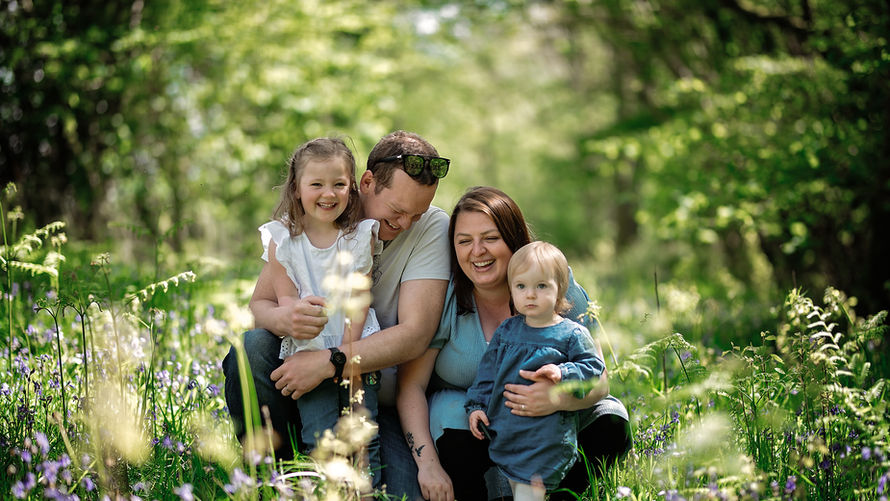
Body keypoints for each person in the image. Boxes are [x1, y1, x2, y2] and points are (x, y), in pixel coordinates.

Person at [222, 130, 452, 497]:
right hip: (302, 377)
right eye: (396, 211)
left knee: (396, 493)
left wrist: (331, 361)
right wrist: (286, 319)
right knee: (250, 348)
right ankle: (274, 471)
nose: (406, 224)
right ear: (366, 183)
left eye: (417, 214)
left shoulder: (430, 227)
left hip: (377, 395)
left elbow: (416, 334)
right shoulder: (311, 224)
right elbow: (258, 308)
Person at [397, 186, 631, 501]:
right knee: (449, 409)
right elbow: (410, 387)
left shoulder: (552, 282)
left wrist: (556, 399)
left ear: (514, 238)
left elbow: (600, 379)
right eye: (464, 241)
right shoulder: (445, 295)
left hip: (550, 423)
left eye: (490, 238)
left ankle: (563, 492)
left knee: (610, 415)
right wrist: (427, 466)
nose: (477, 251)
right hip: (474, 422)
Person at [252, 137, 383, 483]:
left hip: (355, 352)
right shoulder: (284, 241)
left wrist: (344, 357)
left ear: (352, 188)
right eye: (317, 185)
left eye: (339, 184)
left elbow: (359, 301)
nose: (329, 194)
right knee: (321, 439)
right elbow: (286, 301)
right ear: (296, 189)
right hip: (308, 354)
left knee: (365, 440)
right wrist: (299, 315)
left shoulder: (358, 237)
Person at [466, 241, 605, 500]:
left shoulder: (571, 334)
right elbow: (487, 375)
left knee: (529, 493)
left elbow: (593, 368)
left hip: (546, 438)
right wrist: (476, 406)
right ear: (512, 290)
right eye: (521, 286)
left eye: (541, 286)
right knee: (520, 490)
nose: (530, 294)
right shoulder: (507, 331)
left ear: (560, 290)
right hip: (508, 435)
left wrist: (563, 372)